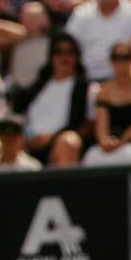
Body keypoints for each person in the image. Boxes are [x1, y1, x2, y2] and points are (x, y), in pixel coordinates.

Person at [12, 31, 92, 166]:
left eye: (70, 53)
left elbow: (87, 126)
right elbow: (18, 115)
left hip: (59, 146)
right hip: (26, 145)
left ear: (77, 57)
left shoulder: (86, 88)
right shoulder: (36, 87)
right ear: (51, 56)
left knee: (69, 141)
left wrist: (51, 138)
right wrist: (26, 138)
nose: (64, 57)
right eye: (59, 52)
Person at [83, 41, 131, 165]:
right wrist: (104, 141)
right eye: (116, 58)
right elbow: (102, 126)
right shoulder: (102, 92)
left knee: (127, 155)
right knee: (92, 156)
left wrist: (121, 142)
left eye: (125, 57)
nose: (121, 62)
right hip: (113, 140)